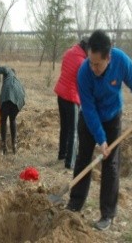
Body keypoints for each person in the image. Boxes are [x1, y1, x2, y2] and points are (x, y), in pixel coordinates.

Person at [66, 30, 132, 231]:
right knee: (83, 158)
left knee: (111, 164)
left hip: (112, 116)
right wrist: (101, 140)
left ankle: (107, 214)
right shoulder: (84, 72)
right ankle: (75, 203)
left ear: (108, 57)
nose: (93, 67)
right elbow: (89, 109)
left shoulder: (120, 61)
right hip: (90, 118)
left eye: (97, 63)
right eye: (90, 62)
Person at [54, 37, 88, 169]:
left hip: (61, 94)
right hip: (71, 97)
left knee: (64, 127)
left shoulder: (69, 52)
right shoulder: (82, 61)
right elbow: (82, 83)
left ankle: (62, 154)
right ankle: (70, 162)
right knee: (74, 130)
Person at [0, 66, 25, 155]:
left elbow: (4, 69)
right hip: (18, 100)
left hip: (7, 96)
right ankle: (14, 144)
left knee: (3, 120)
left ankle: (3, 145)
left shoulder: (9, 71)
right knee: (12, 119)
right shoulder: (17, 81)